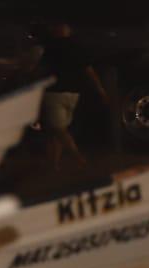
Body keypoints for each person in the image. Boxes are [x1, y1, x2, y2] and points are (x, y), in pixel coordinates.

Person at [38, 23, 107, 171]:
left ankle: (77, 157)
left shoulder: (51, 47)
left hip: (55, 92)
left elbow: (41, 69)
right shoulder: (78, 47)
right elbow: (89, 71)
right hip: (74, 93)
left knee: (58, 129)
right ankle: (53, 165)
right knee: (57, 130)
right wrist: (100, 89)